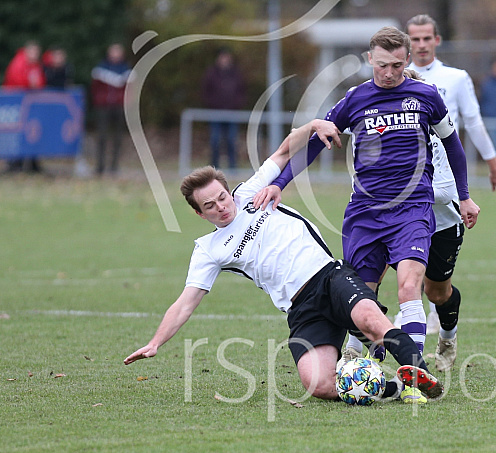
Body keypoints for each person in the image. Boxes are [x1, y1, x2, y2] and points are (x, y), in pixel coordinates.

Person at [124, 119, 443, 404]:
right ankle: (392, 389)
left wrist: (313, 126)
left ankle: (421, 376)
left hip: (329, 278)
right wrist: (155, 342)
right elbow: (185, 304)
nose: (221, 207)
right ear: (199, 213)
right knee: (318, 385)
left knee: (371, 321)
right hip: (300, 309)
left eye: (222, 197)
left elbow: (282, 151)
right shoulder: (208, 250)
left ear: (226, 189)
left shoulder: (250, 192)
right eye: (210, 206)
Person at [254, 27, 480, 365]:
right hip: (365, 212)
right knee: (363, 292)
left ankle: (412, 373)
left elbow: (454, 146)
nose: (389, 73)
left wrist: (464, 197)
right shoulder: (355, 99)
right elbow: (317, 142)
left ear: (407, 61)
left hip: (412, 208)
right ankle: (360, 358)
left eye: (397, 66)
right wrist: (279, 182)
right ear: (369, 59)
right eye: (382, 65)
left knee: (408, 287)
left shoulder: (426, 96)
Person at [400, 14, 496, 371]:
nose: (421, 44)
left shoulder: (455, 79)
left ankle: (447, 335)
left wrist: (492, 164)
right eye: (415, 39)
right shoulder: (390, 82)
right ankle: (363, 350)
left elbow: (471, 123)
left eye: (427, 38)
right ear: (406, 43)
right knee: (383, 274)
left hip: (443, 197)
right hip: (402, 199)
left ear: (437, 40)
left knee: (437, 290)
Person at [2, 40, 46, 173]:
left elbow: (41, 82)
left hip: (31, 105)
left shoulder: (35, 65)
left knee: (32, 132)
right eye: (32, 51)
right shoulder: (19, 63)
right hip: (18, 105)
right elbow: (15, 81)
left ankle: (32, 163)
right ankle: (14, 164)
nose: (35, 54)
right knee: (17, 133)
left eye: (37, 52)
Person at [201, 48, 246, 170]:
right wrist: (212, 104)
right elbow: (206, 91)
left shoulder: (236, 74)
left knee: (232, 140)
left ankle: (232, 167)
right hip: (216, 113)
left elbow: (241, 91)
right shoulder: (212, 73)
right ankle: (213, 167)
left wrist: (237, 104)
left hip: (232, 113)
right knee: (215, 140)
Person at [90, 43, 131, 176]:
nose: (115, 55)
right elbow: (94, 89)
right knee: (102, 136)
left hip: (119, 107)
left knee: (117, 137)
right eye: (113, 51)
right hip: (103, 107)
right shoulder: (100, 69)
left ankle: (114, 166)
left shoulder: (126, 69)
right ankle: (100, 166)